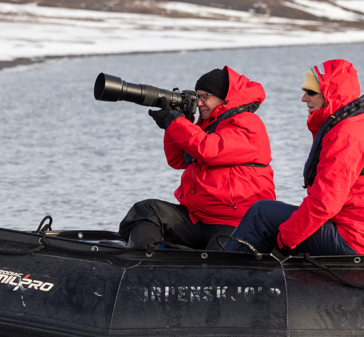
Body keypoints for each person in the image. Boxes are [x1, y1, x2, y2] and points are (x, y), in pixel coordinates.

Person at [224, 59, 364, 256]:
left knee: (262, 214)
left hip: (359, 245)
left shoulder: (346, 137)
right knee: (280, 218)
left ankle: (223, 275)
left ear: (330, 95)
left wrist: (285, 239)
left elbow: (324, 203)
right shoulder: (353, 127)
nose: (303, 98)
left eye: (310, 92)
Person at [118, 66, 275, 250]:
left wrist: (175, 122)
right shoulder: (208, 124)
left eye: (205, 97)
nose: (199, 103)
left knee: (217, 262)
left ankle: (167, 263)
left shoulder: (248, 123)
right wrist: (176, 122)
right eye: (198, 96)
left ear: (225, 98)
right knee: (148, 211)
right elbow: (177, 160)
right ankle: (143, 262)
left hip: (235, 222)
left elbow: (210, 150)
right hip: (198, 218)